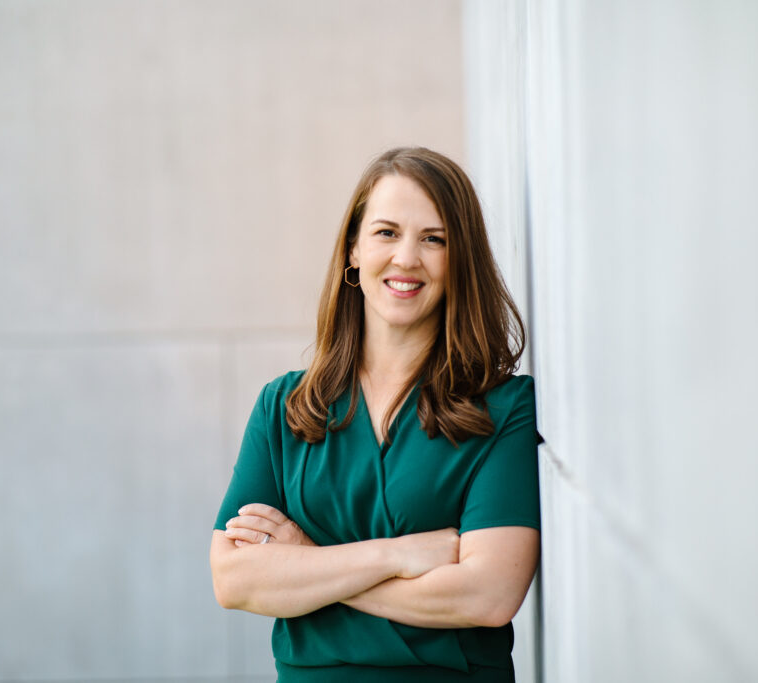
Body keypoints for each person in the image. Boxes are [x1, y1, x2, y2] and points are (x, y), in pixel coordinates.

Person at [209, 147, 540, 682]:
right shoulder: (286, 408)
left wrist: (308, 562)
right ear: (354, 250)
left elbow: (489, 595)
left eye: (434, 239)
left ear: (460, 261)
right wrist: (399, 555)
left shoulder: (502, 408)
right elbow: (234, 580)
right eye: (387, 233)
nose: (407, 258)